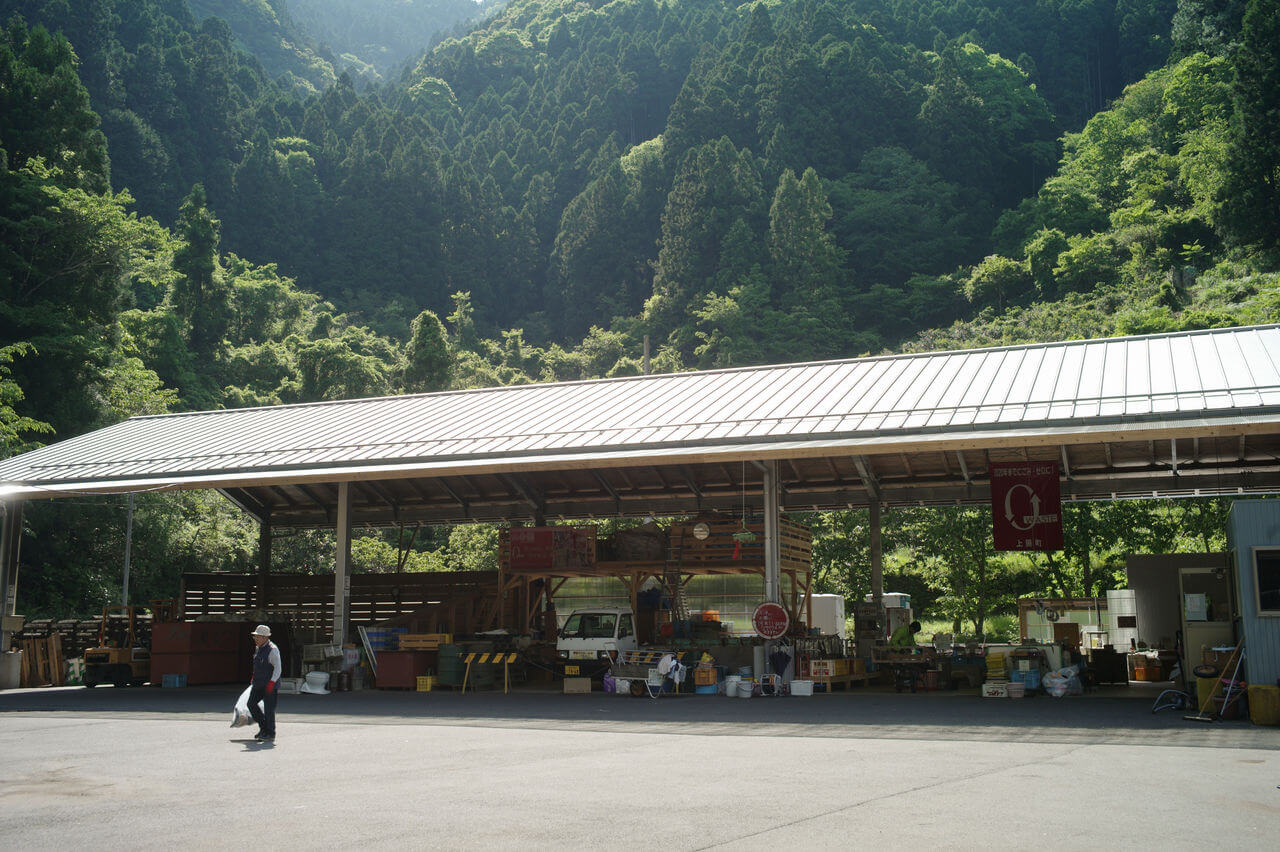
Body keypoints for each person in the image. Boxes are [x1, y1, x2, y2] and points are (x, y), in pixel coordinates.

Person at [248, 624, 281, 741]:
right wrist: (254, 676)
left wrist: (272, 682)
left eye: (258, 636)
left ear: (265, 637)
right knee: (251, 704)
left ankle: (270, 733)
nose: (255, 639)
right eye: (255, 636)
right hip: (258, 683)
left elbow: (278, 668)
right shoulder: (258, 648)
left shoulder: (273, 650)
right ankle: (263, 728)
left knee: (269, 710)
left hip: (269, 685)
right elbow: (258, 664)